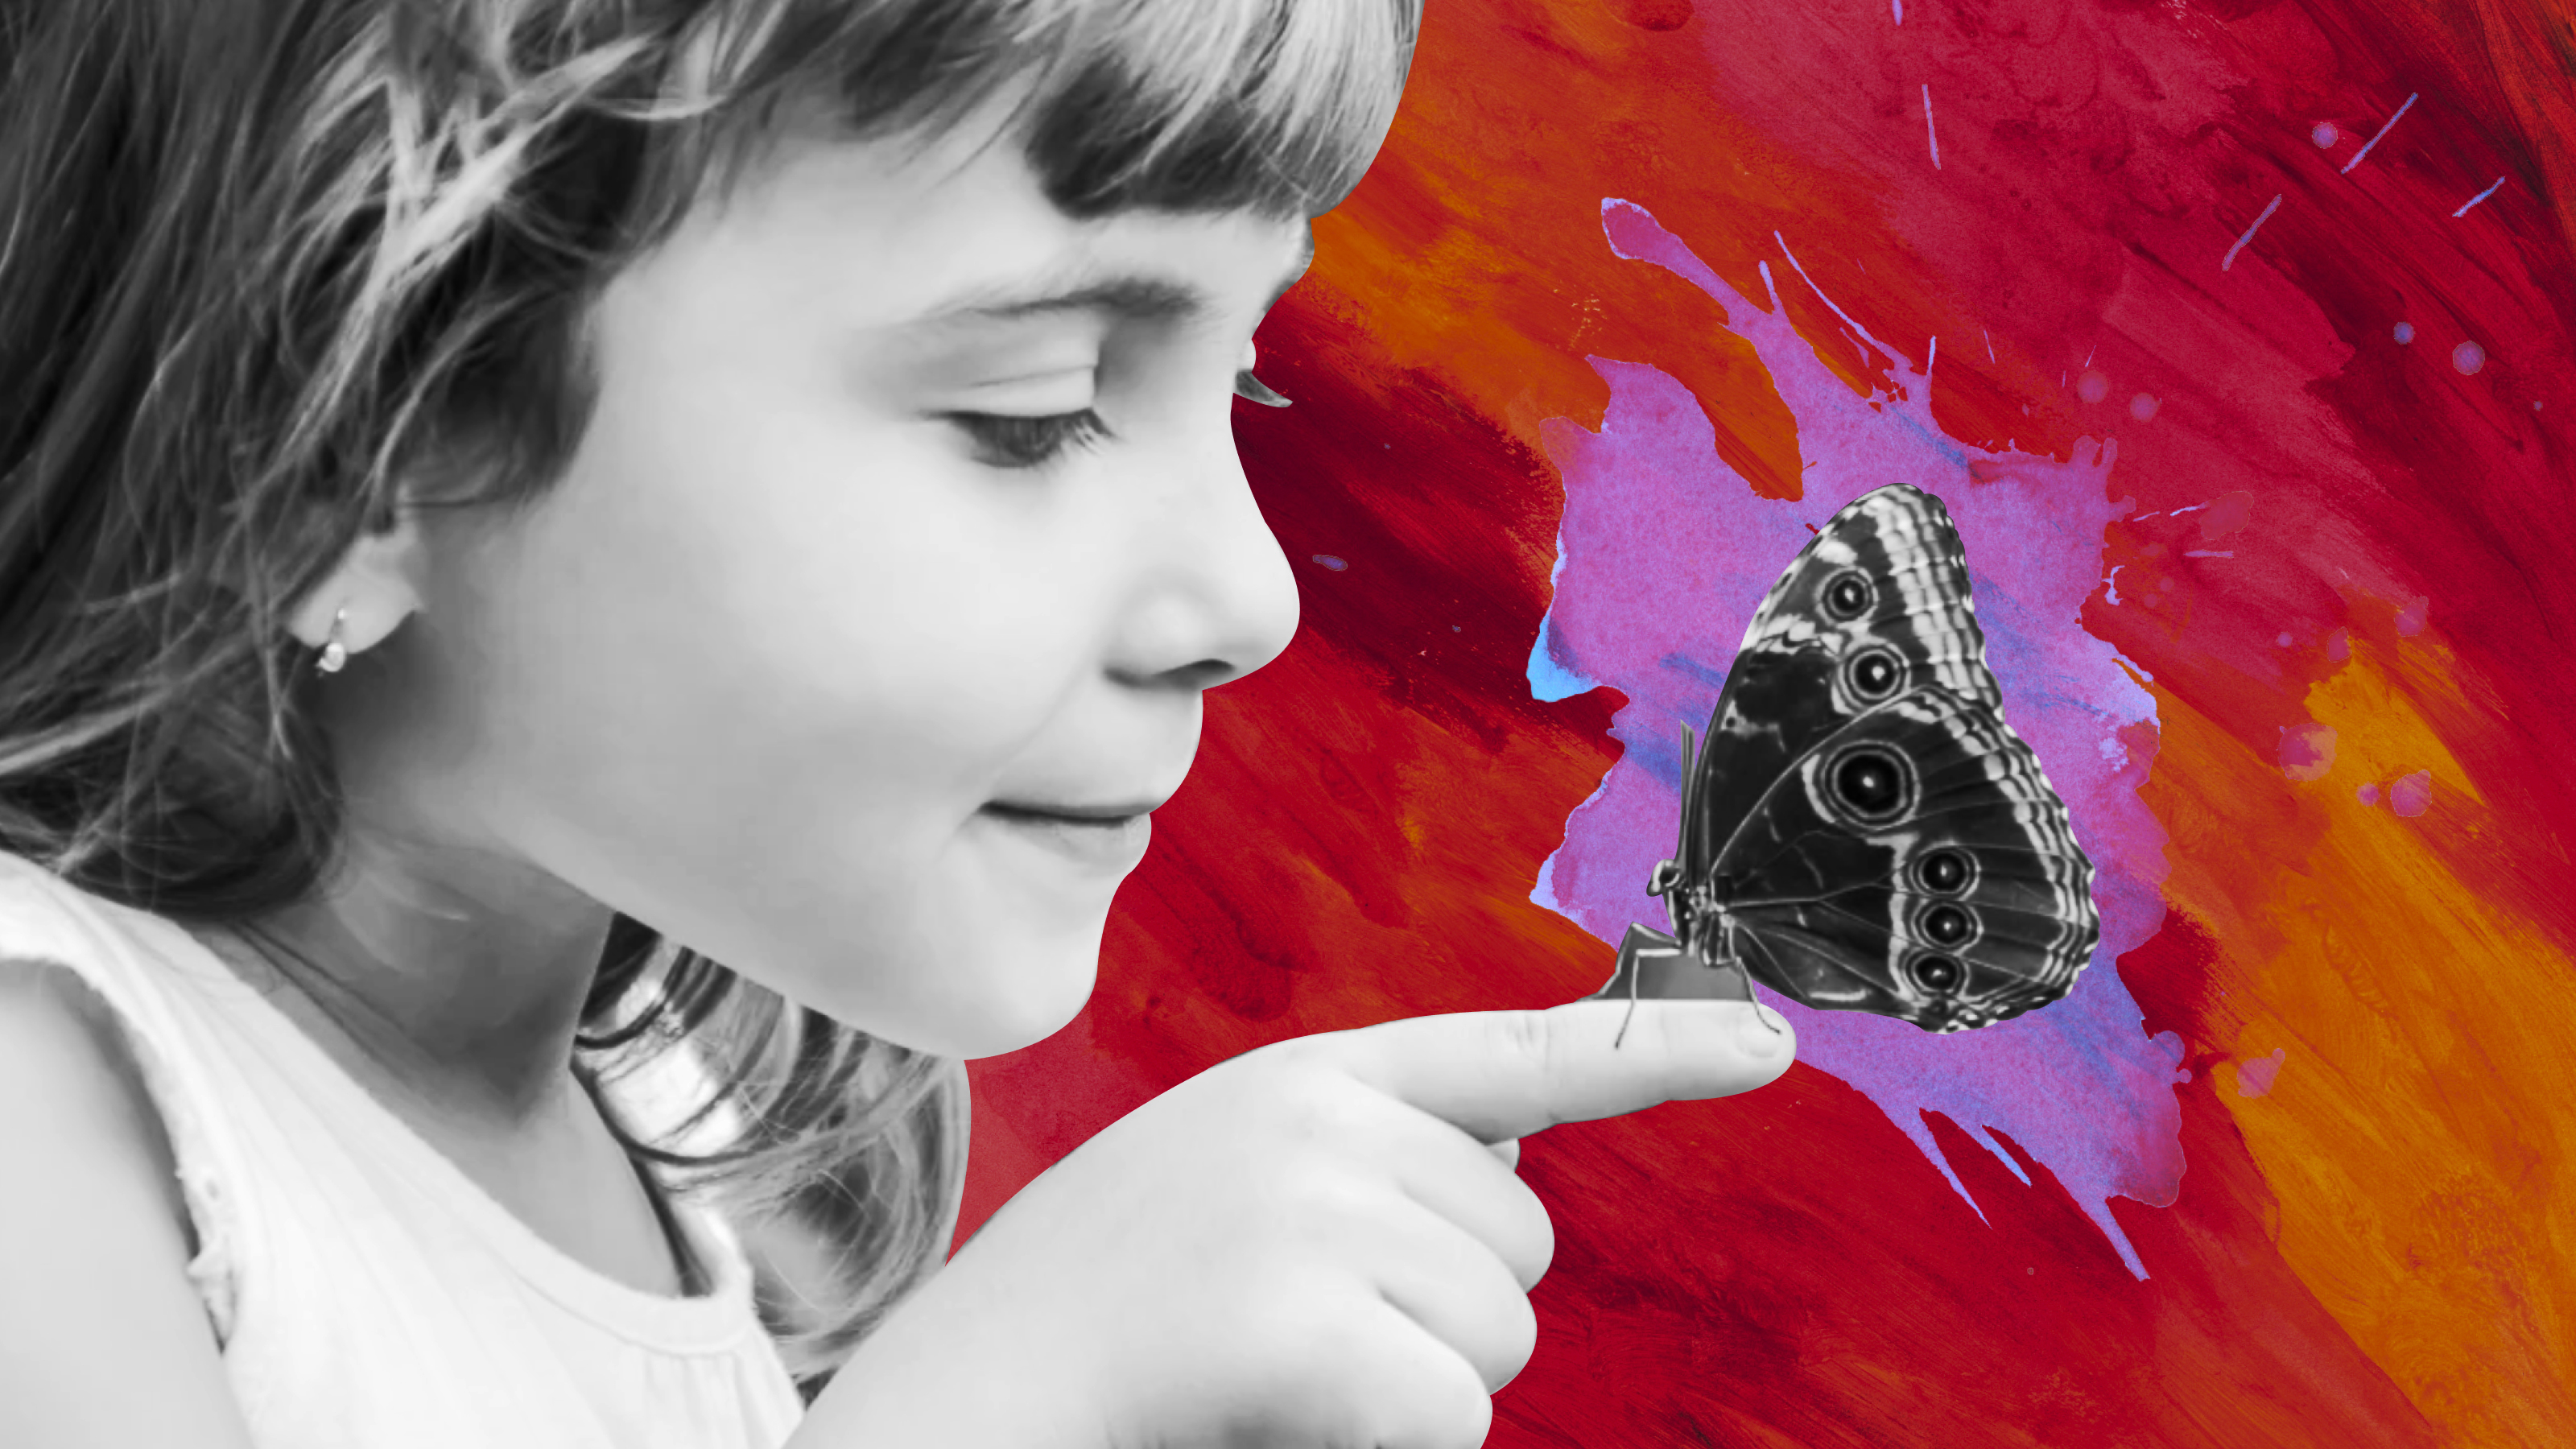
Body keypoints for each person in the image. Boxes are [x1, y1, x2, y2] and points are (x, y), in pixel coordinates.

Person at [0, 2, 1796, 1445]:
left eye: (1244, 373)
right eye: (1040, 406)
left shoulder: (735, 1157)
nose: (1251, 597)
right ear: (367, 429)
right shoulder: (43, 1136)